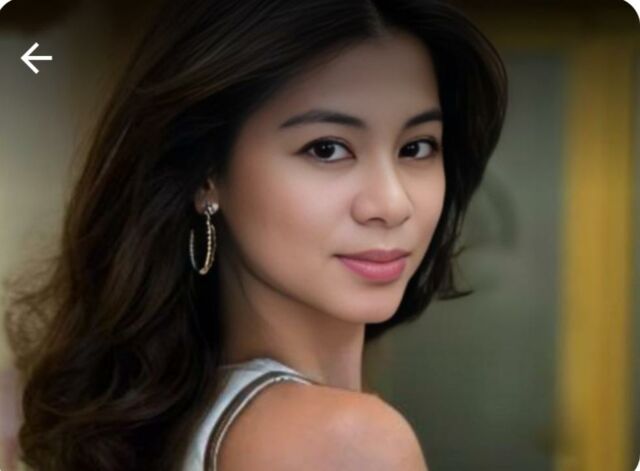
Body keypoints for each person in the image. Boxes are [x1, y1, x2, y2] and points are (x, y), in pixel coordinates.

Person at [2, 0, 507, 470]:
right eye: (327, 149)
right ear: (207, 173)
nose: (392, 204)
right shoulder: (344, 441)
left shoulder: (182, 419)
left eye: (417, 147)